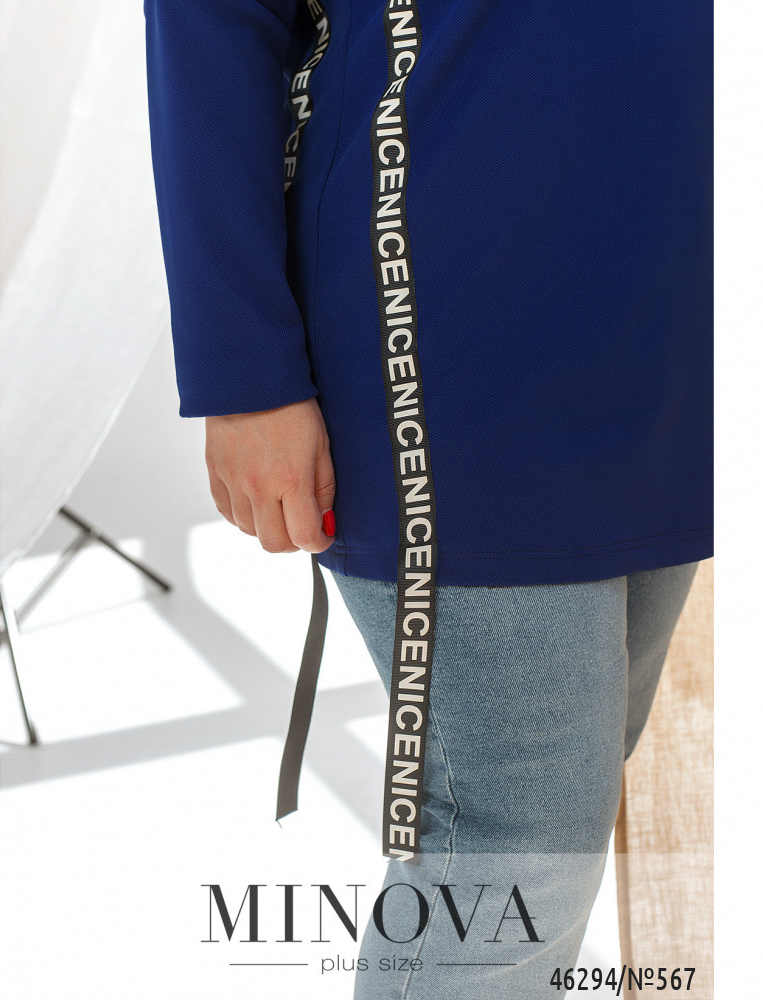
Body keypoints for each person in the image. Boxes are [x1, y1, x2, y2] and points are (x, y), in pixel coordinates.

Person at [144, 1, 712, 996]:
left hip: (672, 302)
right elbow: (212, 20)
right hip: (449, 312)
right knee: (512, 843)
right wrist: (243, 372)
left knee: (571, 797)